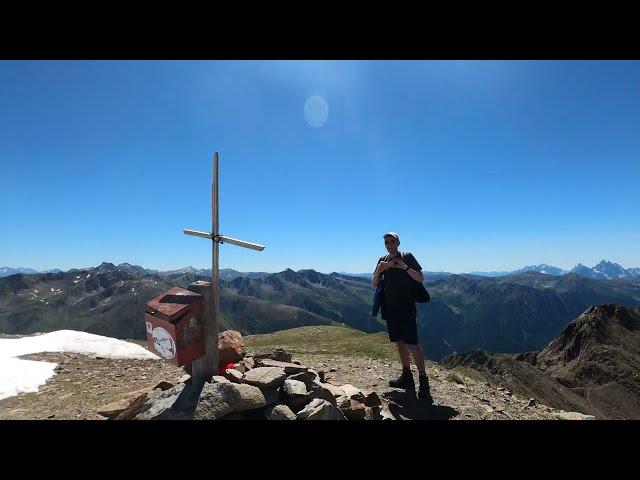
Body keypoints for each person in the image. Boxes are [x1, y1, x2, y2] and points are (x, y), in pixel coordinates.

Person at [372, 232, 434, 403]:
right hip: (390, 308)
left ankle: (423, 382)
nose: (389, 244)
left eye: (392, 241)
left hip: (406, 307)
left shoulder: (407, 257)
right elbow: (374, 283)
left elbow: (420, 278)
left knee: (413, 343)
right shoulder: (381, 260)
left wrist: (403, 266)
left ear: (398, 242)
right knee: (399, 342)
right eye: (386, 242)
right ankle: (406, 376)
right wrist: (379, 269)